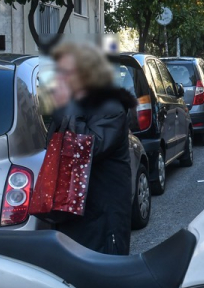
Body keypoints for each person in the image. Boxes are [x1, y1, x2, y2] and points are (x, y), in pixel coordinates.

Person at [45, 41, 136, 254]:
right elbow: (54, 147)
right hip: (75, 213)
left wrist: (67, 109)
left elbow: (86, 149)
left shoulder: (110, 107)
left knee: (104, 271)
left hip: (103, 219)